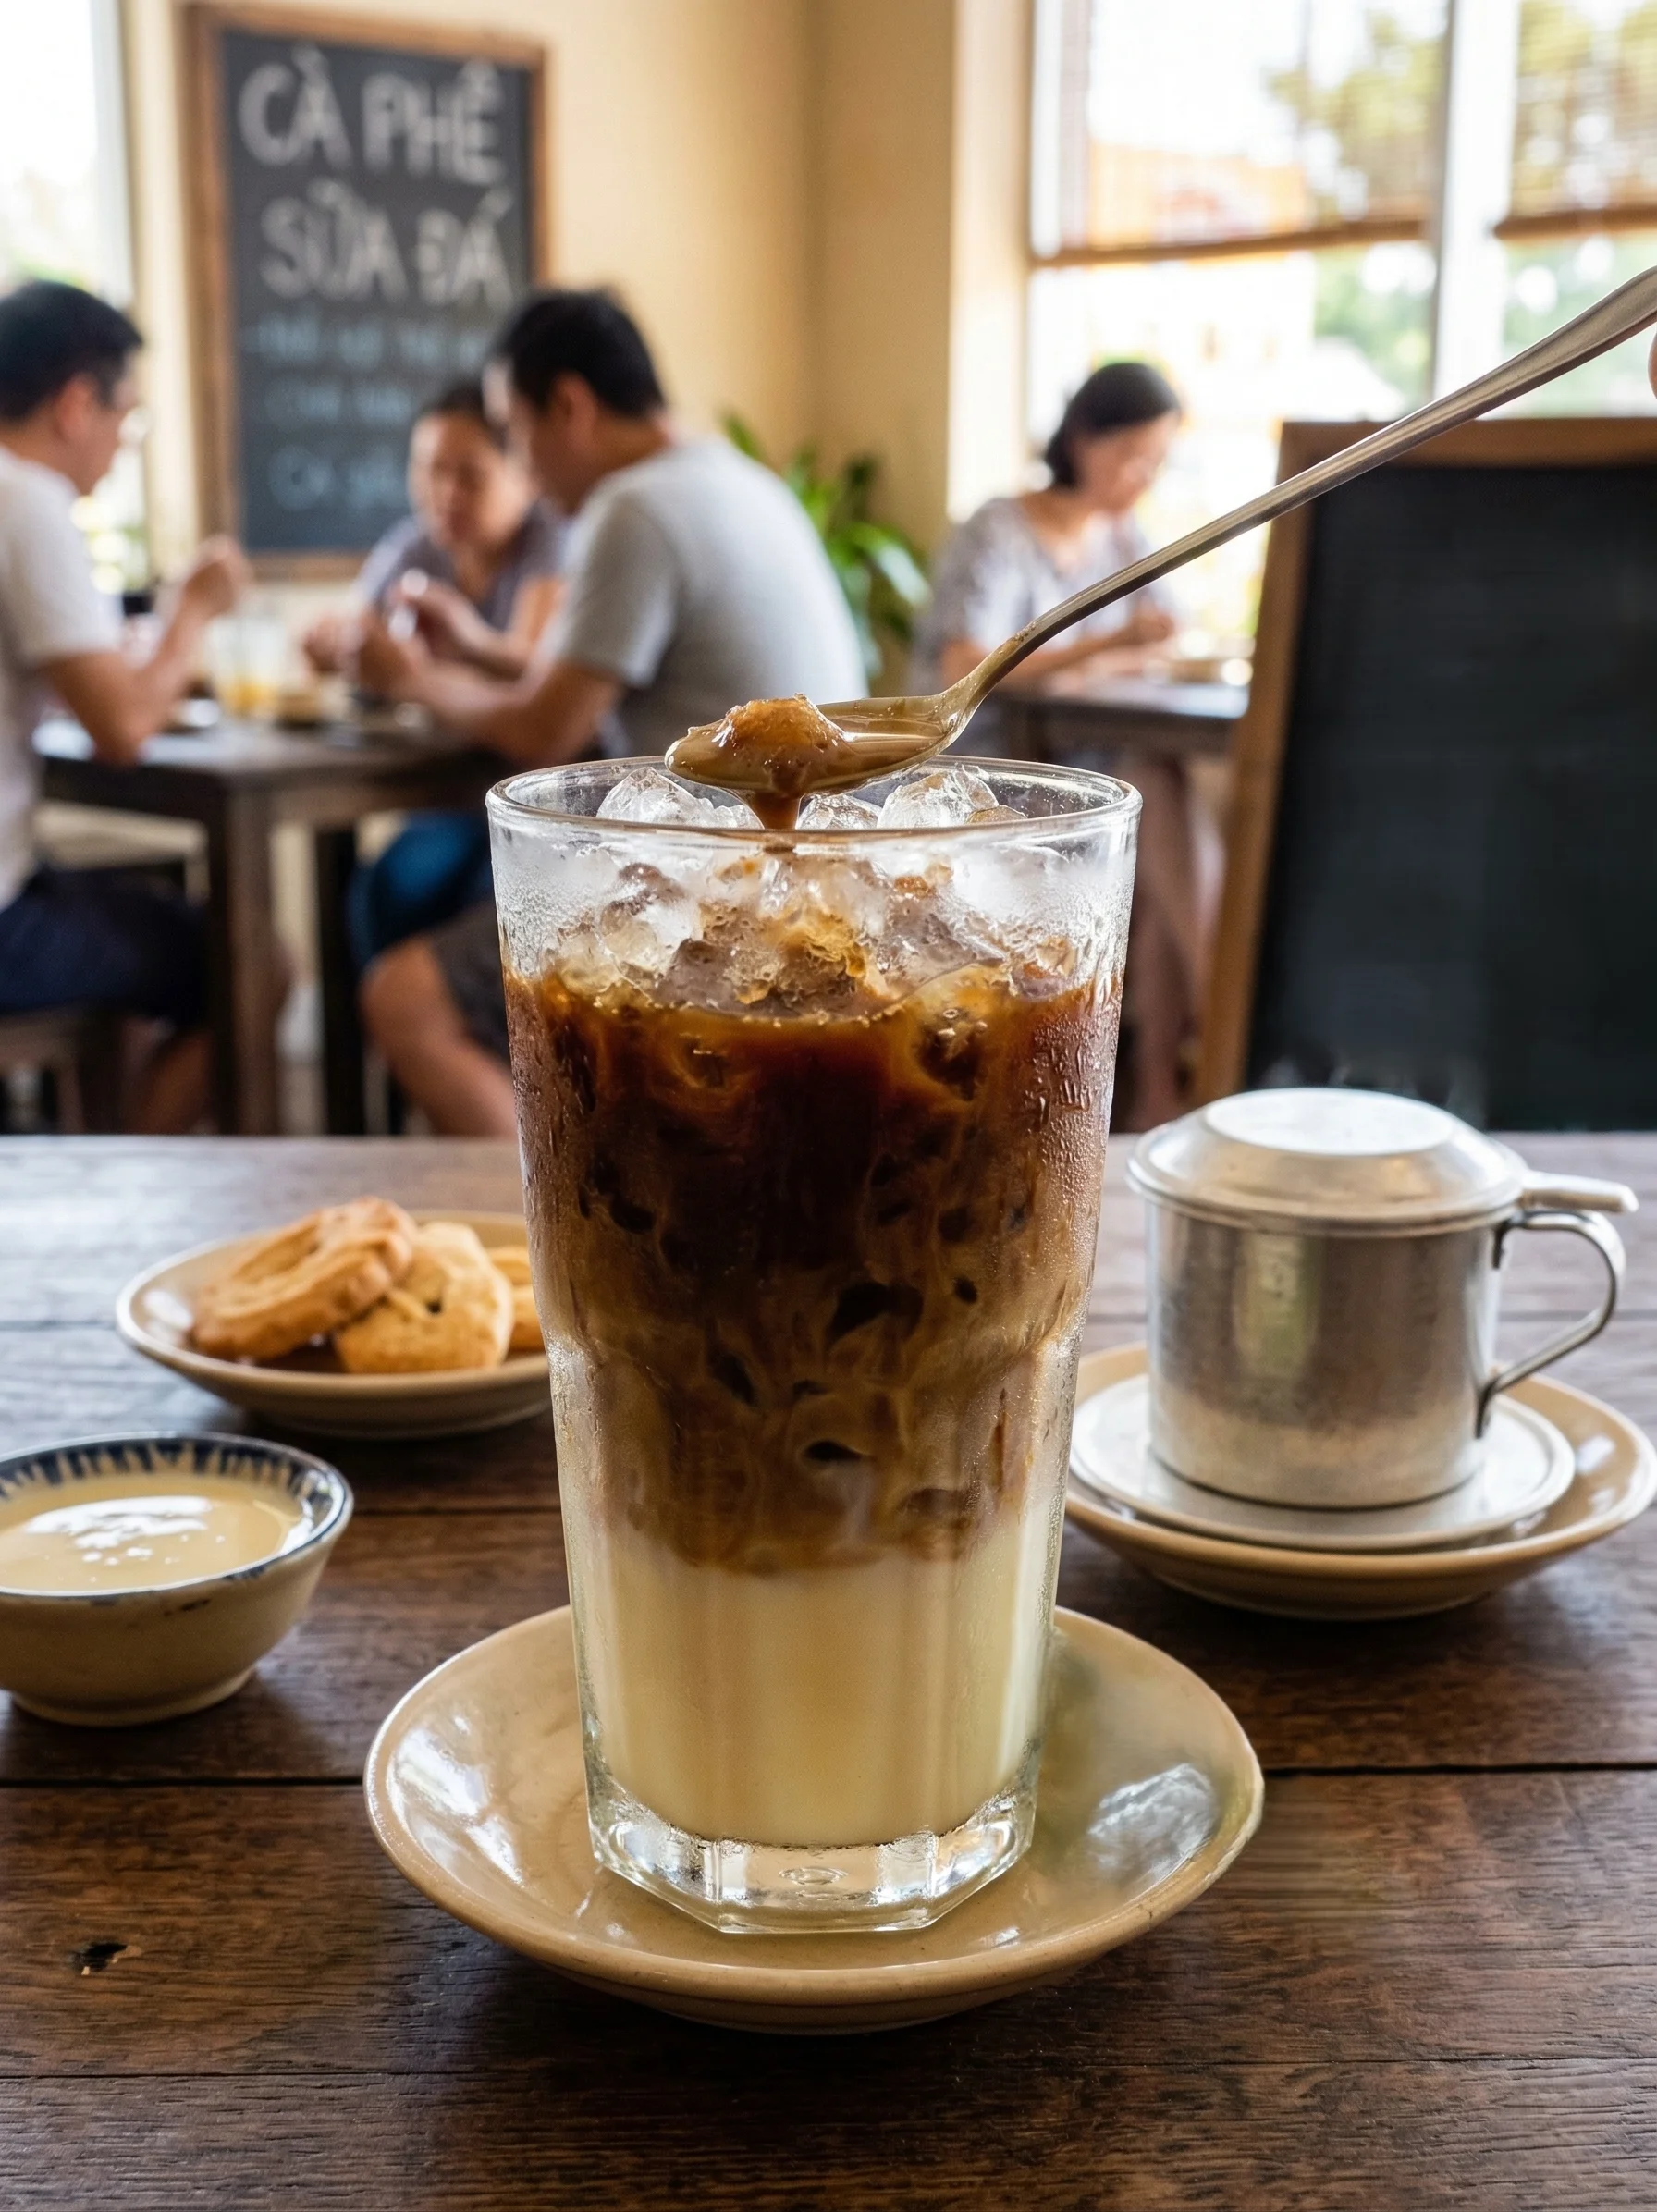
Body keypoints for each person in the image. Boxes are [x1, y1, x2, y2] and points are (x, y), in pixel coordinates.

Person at [353, 287, 865, 1137]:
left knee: (403, 998)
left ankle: (539, 1231)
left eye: (515, 435)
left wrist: (410, 677)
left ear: (571, 406)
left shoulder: (632, 510)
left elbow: (543, 730)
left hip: (724, 885)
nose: (524, 466)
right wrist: (475, 646)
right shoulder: (735, 479)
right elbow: (587, 678)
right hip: (827, 868)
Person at [913, 360, 1204, 1128]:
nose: (1140, 477)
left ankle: (1161, 1086)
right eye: (1129, 456)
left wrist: (1138, 644)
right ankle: (1216, 1021)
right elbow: (965, 665)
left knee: (1155, 792)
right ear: (1081, 440)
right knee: (1155, 803)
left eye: (1155, 462)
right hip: (991, 772)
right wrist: (1107, 644)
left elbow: (1168, 633)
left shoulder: (1122, 533)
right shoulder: (1001, 528)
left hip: (1089, 768)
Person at [0, 279, 249, 1131]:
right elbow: (122, 727)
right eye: (123, 419)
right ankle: (124, 1182)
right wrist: (192, 611)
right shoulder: (27, 503)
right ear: (76, 403)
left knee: (142, 918)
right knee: (247, 963)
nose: (120, 446)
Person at [301, 378, 568, 965]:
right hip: (447, 797)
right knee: (384, 892)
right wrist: (336, 644)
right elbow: (350, 629)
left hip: (531, 799)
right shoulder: (416, 546)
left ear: (521, 472)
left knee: (480, 899)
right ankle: (400, 1050)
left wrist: (443, 655)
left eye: (469, 475)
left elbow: (535, 675)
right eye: (428, 471)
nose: (445, 493)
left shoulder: (549, 541)